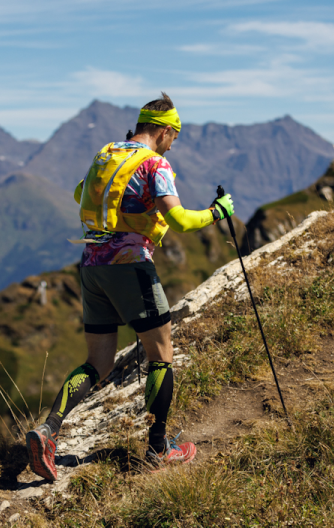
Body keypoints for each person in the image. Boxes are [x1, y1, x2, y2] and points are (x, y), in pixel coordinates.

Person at [25, 92, 235, 481]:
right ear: (164, 129)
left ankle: (48, 430)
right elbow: (184, 221)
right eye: (175, 135)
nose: (175, 142)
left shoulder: (107, 155)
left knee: (98, 363)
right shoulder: (155, 165)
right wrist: (217, 212)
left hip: (91, 266)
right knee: (161, 354)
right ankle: (159, 448)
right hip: (132, 268)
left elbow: (79, 194)